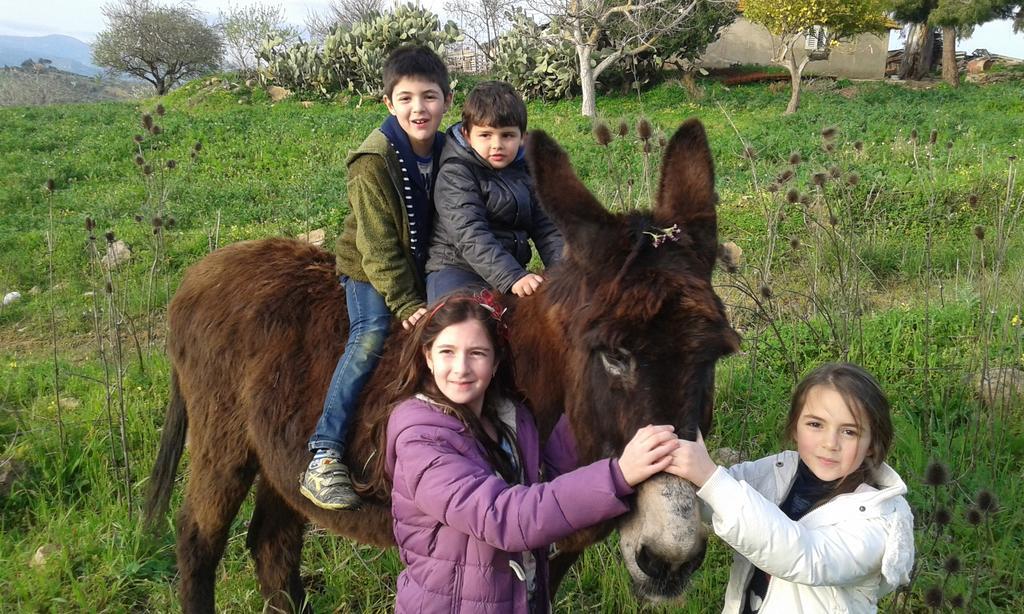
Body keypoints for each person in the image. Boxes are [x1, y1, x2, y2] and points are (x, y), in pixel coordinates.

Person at [358, 292, 680, 613]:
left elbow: (548, 478)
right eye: (447, 352)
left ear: (496, 361)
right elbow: (505, 518)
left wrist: (599, 397)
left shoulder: (509, 418)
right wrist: (618, 476)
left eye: (477, 353)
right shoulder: (421, 438)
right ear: (427, 357)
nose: (461, 368)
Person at [299, 45, 453, 510]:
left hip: (423, 260)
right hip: (369, 267)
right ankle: (324, 454)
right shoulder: (372, 161)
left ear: (447, 99)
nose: (418, 108)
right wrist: (407, 305)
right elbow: (379, 246)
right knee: (371, 335)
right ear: (388, 104)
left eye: (429, 97)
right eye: (405, 98)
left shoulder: (450, 148)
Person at [667, 362, 915, 614]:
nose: (830, 443)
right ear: (795, 427)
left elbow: (804, 555)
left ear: (873, 443)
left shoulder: (878, 520)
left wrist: (710, 478)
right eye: (815, 424)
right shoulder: (778, 471)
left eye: (849, 432)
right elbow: (711, 500)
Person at [426, 81, 563, 303]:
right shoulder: (456, 173)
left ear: (522, 137)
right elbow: (469, 234)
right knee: (462, 325)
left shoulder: (526, 169)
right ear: (467, 135)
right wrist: (512, 276)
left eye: (507, 135)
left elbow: (547, 226)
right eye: (486, 135)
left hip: (509, 269)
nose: (497, 144)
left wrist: (562, 272)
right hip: (456, 270)